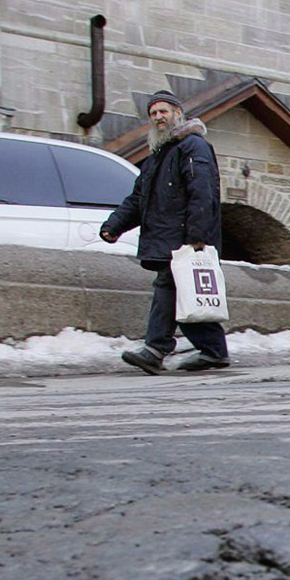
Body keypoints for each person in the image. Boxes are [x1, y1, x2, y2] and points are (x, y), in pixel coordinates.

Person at [101, 90, 230, 373]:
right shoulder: (156, 157)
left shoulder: (193, 146)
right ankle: (213, 350)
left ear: (177, 114)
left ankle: (156, 349)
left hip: (185, 238)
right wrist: (114, 226)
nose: (159, 117)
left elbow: (202, 192)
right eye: (153, 113)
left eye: (164, 111)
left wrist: (196, 236)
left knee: (171, 290)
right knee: (180, 293)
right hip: (168, 238)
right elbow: (138, 199)